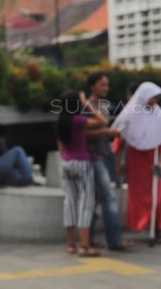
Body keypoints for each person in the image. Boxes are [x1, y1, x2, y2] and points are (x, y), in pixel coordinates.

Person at [112, 82, 161, 244]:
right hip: (136, 162)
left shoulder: (158, 114)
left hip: (153, 161)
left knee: (157, 196)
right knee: (138, 196)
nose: (154, 101)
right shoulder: (129, 113)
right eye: (152, 97)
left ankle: (158, 228)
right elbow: (119, 137)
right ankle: (139, 224)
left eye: (156, 98)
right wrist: (119, 163)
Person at [85, 72, 133, 251]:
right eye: (101, 85)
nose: (105, 88)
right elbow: (81, 133)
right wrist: (106, 132)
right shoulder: (87, 106)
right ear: (92, 87)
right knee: (109, 198)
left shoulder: (105, 106)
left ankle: (88, 240)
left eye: (107, 85)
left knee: (95, 199)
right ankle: (114, 240)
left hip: (104, 157)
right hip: (93, 158)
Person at [57, 90, 107, 257]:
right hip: (82, 163)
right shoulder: (78, 120)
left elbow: (61, 148)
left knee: (69, 202)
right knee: (86, 203)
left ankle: (71, 244)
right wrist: (87, 103)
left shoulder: (60, 122)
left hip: (65, 163)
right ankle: (85, 246)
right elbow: (102, 121)